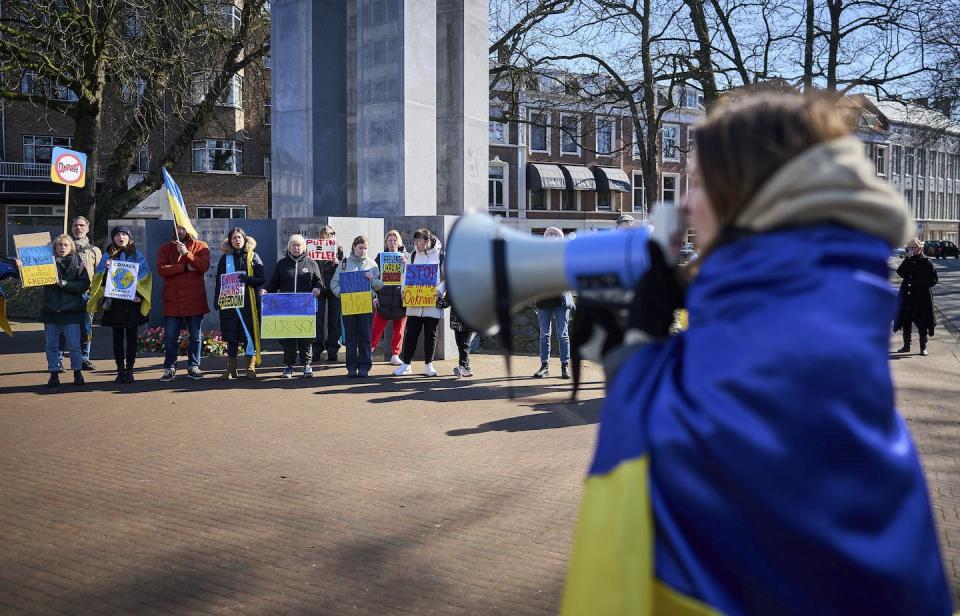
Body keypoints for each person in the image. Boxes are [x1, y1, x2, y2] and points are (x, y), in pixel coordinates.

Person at [560, 93, 950, 615]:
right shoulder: (825, 324)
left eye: (699, 183)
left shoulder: (773, 350)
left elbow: (679, 446)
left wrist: (634, 358)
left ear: (748, 197)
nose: (686, 205)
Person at [88, 226, 151, 384]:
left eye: (124, 234)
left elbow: (145, 278)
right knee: (117, 338)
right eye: (117, 235)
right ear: (113, 238)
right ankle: (119, 370)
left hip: (132, 304)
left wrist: (139, 296)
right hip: (114, 303)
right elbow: (99, 279)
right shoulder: (107, 256)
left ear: (129, 237)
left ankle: (130, 370)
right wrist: (105, 269)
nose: (121, 237)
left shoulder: (137, 255)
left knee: (131, 338)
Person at [263, 234, 323, 378]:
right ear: (289, 247)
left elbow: (319, 282)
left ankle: (306, 365)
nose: (296, 248)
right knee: (288, 337)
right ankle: (289, 366)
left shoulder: (311, 263)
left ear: (304, 247)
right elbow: (273, 283)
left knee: (305, 337)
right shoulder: (282, 264)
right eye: (293, 245)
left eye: (299, 245)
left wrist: (317, 288)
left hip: (305, 307)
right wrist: (266, 290)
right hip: (286, 308)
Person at [35, 235, 90, 387]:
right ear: (54, 247)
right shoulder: (45, 262)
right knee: (51, 345)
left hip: (71, 312)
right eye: (59, 245)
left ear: (71, 247)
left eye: (66, 244)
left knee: (74, 345)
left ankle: (77, 372)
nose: (63, 247)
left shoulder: (78, 263)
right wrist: (21, 266)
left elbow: (84, 285)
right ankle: (54, 373)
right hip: (51, 311)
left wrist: (64, 284)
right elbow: (30, 278)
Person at [157, 225, 210, 382]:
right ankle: (169, 368)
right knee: (171, 337)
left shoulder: (201, 246)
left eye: (183, 228)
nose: (180, 231)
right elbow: (162, 269)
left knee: (195, 336)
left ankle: (193, 366)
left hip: (194, 300)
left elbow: (203, 266)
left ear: (189, 228)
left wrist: (186, 254)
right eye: (177, 228)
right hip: (173, 300)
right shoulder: (166, 248)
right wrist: (185, 267)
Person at [393, 229, 445, 377]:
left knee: (431, 334)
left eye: (419, 241)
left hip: (432, 302)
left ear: (427, 241)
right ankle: (406, 365)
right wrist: (403, 291)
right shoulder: (414, 255)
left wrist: (438, 291)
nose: (416, 244)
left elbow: (448, 278)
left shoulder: (440, 256)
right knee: (411, 334)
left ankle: (429, 365)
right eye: (415, 241)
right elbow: (405, 275)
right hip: (414, 302)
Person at [214, 228, 265, 379]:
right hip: (230, 303)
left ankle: (250, 367)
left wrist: (248, 279)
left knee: (248, 334)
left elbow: (261, 279)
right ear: (230, 241)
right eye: (234, 238)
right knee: (231, 336)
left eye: (239, 237)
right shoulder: (225, 259)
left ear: (245, 239)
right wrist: (217, 299)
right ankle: (231, 368)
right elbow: (219, 280)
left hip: (248, 303)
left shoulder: (253, 256)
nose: (237, 240)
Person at [330, 235, 383, 377]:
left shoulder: (372, 265)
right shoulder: (344, 264)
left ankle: (365, 366)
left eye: (365, 248)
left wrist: (372, 281)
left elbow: (379, 286)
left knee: (365, 337)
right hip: (349, 306)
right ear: (354, 247)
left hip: (365, 307)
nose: (363, 251)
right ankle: (351, 367)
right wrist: (342, 295)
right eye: (360, 248)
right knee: (351, 337)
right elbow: (334, 284)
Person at [533, 227, 573, 380]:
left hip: (561, 300)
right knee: (544, 335)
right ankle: (544, 366)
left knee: (563, 335)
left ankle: (565, 366)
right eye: (548, 234)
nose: (551, 236)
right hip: (544, 300)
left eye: (554, 234)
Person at [894, 238, 938, 356]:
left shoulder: (927, 262)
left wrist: (918, 284)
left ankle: (923, 348)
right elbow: (900, 273)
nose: (910, 250)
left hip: (921, 298)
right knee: (906, 322)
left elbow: (933, 280)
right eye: (909, 248)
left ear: (919, 249)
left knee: (922, 323)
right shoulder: (908, 260)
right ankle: (906, 346)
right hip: (907, 297)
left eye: (913, 248)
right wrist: (907, 259)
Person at [68, 216, 101, 371]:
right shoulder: (62, 247)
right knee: (64, 328)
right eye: (75, 225)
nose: (78, 228)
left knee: (86, 328)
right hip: (66, 294)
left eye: (82, 225)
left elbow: (100, 274)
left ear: (87, 228)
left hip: (86, 295)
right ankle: (59, 359)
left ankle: (84, 358)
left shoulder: (95, 251)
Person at [370, 230, 407, 365]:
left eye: (394, 240)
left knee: (399, 330)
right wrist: (375, 296)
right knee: (376, 328)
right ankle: (369, 351)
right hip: (383, 298)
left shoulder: (407, 257)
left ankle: (395, 354)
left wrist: (406, 265)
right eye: (390, 240)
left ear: (399, 242)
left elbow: (412, 276)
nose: (392, 243)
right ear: (386, 242)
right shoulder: (380, 257)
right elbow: (373, 277)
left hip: (400, 299)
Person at [313, 225, 345, 363]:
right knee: (317, 320)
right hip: (319, 287)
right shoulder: (315, 248)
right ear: (321, 236)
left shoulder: (339, 249)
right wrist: (329, 265)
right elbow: (315, 268)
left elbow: (342, 269)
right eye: (326, 234)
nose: (329, 236)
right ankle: (316, 349)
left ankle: (332, 350)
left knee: (334, 321)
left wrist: (336, 264)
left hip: (333, 287)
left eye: (332, 234)